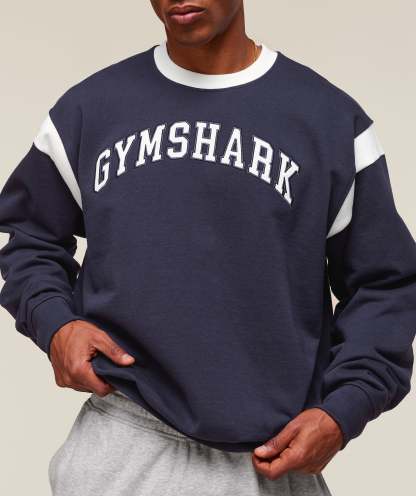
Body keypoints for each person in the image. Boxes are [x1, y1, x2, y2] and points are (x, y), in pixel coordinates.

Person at [0, 1, 415, 495]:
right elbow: (28, 236)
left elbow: (384, 285)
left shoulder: (328, 121)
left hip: (268, 457)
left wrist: (342, 410)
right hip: (124, 441)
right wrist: (56, 322)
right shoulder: (92, 109)